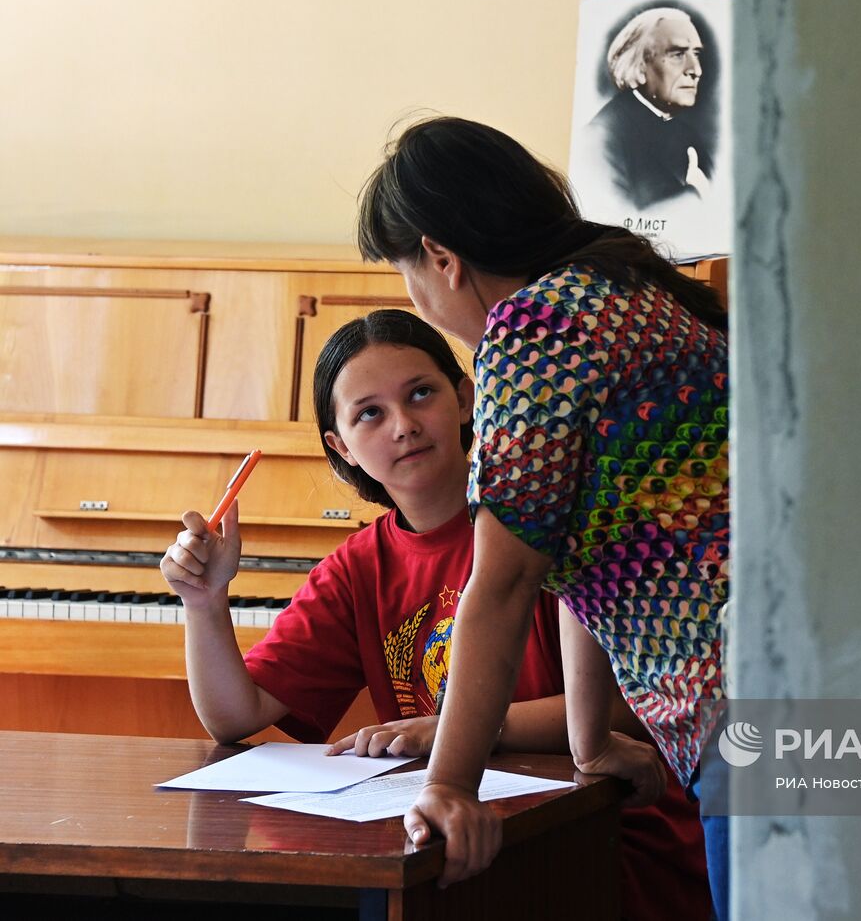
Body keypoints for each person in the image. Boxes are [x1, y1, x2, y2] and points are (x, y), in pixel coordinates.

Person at [159, 308, 710, 921]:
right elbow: (236, 716)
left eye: (421, 394)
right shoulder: (359, 566)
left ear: (467, 400)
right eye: (370, 412)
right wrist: (205, 602)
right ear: (340, 446)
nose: (404, 426)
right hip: (452, 832)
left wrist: (453, 728)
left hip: (602, 836)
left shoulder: (544, 526)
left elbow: (631, 709)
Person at [357, 115, 731, 917]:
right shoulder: (630, 289)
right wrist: (590, 742)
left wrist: (449, 787)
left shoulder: (534, 330)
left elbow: (504, 579)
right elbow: (585, 551)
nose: (420, 302)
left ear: (443, 259)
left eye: (408, 279)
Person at [586, 6, 715, 208]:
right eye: (678, 54)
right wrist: (693, 194)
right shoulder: (603, 136)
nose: (696, 70)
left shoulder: (686, 135)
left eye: (696, 54)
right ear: (639, 66)